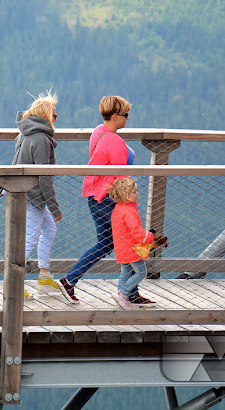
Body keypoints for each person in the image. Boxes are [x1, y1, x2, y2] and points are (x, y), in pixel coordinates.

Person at [58, 95, 151, 306]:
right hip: (111, 200)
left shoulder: (98, 132)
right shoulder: (115, 140)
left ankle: (70, 281)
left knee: (106, 243)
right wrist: (131, 206)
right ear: (116, 116)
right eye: (125, 115)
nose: (128, 119)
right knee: (129, 240)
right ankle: (128, 292)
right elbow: (121, 180)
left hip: (95, 197)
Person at [13, 90, 63, 297]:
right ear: (45, 115)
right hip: (34, 196)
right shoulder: (41, 139)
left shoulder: (23, 133)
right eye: (54, 113)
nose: (56, 117)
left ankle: (44, 277)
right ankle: (13, 282)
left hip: (22, 191)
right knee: (31, 239)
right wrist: (54, 206)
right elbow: (44, 176)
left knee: (49, 229)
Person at [107, 177, 156, 309]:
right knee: (141, 272)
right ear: (125, 195)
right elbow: (136, 232)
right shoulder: (129, 211)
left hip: (121, 247)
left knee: (126, 272)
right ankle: (123, 293)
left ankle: (121, 297)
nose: (137, 193)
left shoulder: (118, 208)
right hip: (132, 249)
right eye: (134, 192)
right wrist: (150, 236)